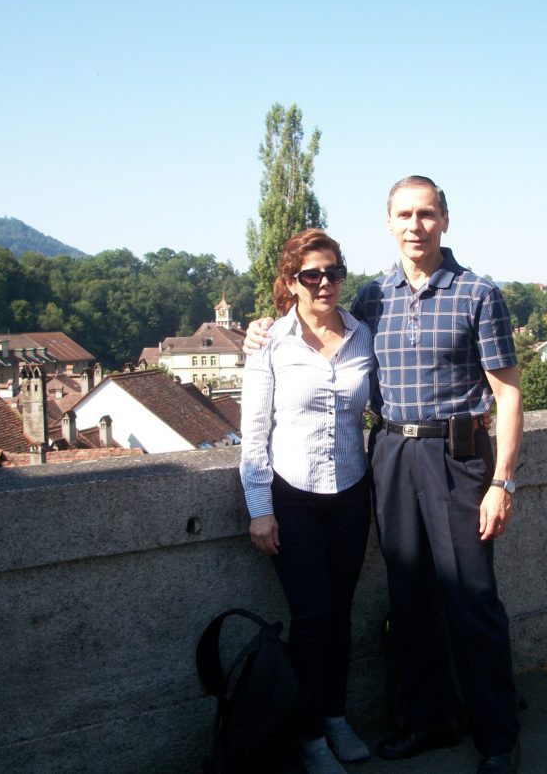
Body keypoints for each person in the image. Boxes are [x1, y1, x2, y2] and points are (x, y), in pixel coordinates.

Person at [246, 177, 523, 774]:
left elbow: (508, 393)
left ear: (445, 220)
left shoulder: (478, 294)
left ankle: (498, 737)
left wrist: (502, 481)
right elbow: (316, 329)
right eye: (404, 214)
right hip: (390, 455)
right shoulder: (372, 300)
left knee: (472, 599)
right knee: (410, 600)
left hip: (457, 456)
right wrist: (260, 331)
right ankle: (426, 721)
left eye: (426, 213)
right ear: (389, 223)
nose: (415, 225)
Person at [239, 228, 375, 774]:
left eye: (333, 273)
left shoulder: (365, 335)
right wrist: (259, 507)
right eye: (310, 275)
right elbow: (253, 431)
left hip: (351, 490)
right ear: (290, 282)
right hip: (291, 494)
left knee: (341, 613)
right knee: (312, 615)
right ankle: (309, 734)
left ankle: (336, 716)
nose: (323, 284)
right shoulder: (270, 342)